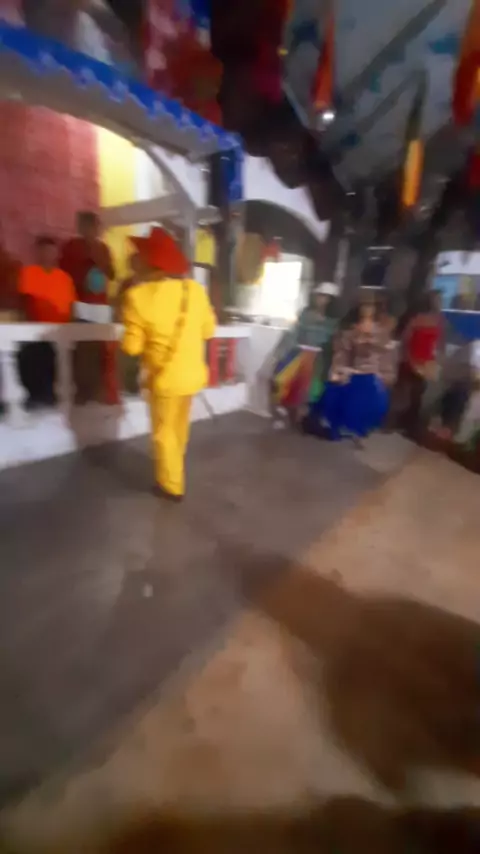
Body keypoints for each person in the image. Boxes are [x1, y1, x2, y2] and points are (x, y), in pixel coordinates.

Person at [121, 227, 216, 502]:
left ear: (148, 261)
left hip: (164, 380)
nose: (134, 258)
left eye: (139, 254)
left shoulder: (137, 297)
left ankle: (172, 486)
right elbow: (208, 330)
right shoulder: (194, 290)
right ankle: (174, 466)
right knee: (179, 428)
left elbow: (132, 347)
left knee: (163, 433)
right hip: (193, 376)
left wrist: (127, 329)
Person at [319, 295, 396, 444]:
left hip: (373, 373)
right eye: (364, 306)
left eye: (370, 306)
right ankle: (351, 431)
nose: (367, 309)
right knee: (349, 402)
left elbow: (386, 354)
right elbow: (343, 352)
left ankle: (361, 432)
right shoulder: (351, 330)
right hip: (354, 372)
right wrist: (340, 370)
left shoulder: (382, 331)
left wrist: (385, 373)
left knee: (374, 405)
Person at [60, 210, 116, 405]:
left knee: (102, 350)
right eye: (86, 226)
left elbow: (112, 274)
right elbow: (64, 274)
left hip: (100, 305)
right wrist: (83, 265)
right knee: (82, 350)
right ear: (80, 227)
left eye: (94, 227)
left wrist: (100, 262)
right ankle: (82, 393)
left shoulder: (104, 248)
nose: (91, 230)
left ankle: (100, 392)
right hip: (80, 303)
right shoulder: (71, 247)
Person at [17, 236, 76, 410]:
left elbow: (72, 307)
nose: (47, 255)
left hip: (62, 331)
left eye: (51, 251)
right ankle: (38, 397)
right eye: (43, 251)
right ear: (37, 253)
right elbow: (26, 303)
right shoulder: (28, 273)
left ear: (56, 254)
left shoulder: (64, 278)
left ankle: (55, 397)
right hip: (37, 331)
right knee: (34, 356)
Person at [271, 282, 339, 428]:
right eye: (320, 295)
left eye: (326, 297)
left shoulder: (334, 321)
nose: (321, 299)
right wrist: (279, 353)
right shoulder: (305, 314)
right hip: (299, 354)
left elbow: (335, 342)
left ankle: (301, 420)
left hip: (320, 358)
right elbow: (293, 333)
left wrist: (333, 361)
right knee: (283, 381)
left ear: (332, 300)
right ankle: (284, 416)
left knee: (310, 391)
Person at [396, 290, 444, 438]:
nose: (439, 303)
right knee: (414, 394)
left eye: (440, 300)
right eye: (437, 300)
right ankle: (409, 425)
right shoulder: (417, 319)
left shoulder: (439, 319)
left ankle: (413, 424)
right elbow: (405, 341)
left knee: (423, 394)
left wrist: (436, 360)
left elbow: (438, 343)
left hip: (428, 362)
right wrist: (408, 359)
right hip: (414, 360)